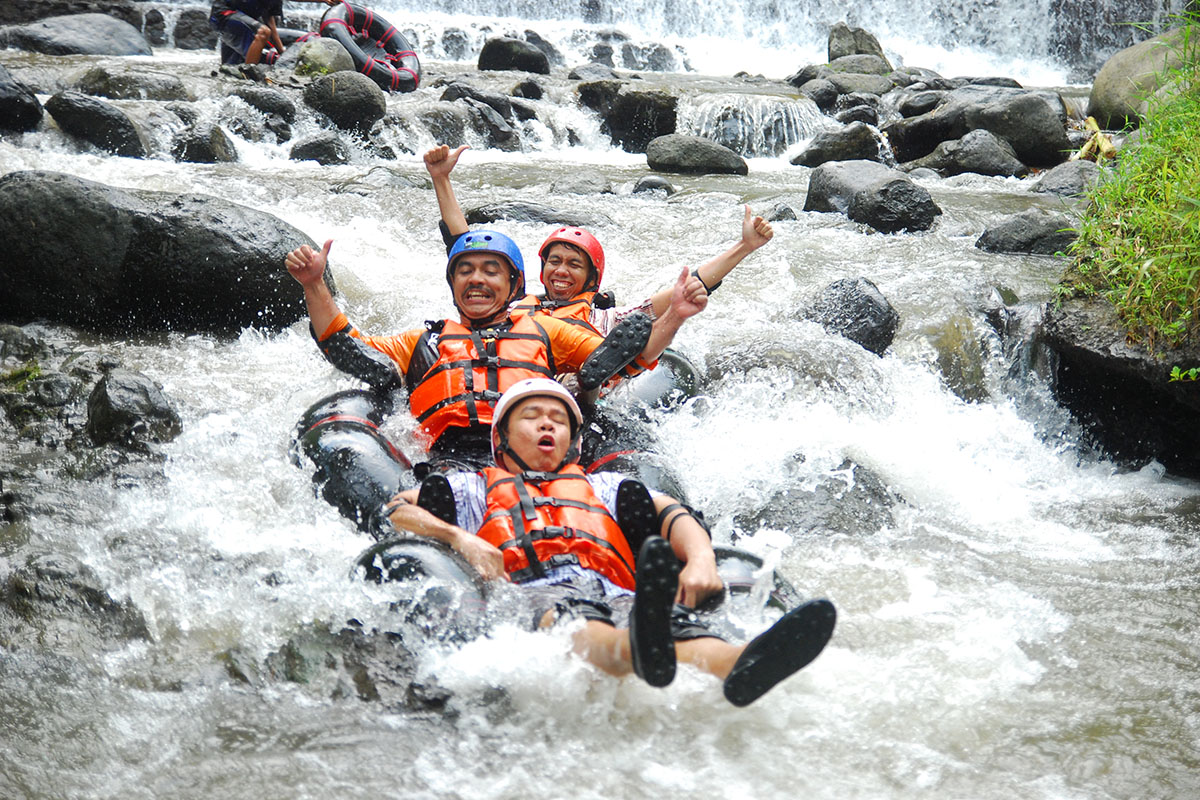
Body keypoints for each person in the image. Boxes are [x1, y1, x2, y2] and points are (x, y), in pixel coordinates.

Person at [379, 378, 837, 706]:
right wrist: (461, 539)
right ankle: (631, 650)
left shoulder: (605, 486)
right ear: (501, 440)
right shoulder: (473, 486)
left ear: (573, 443)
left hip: (618, 590)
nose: (548, 426)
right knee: (580, 622)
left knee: (674, 622)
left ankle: (738, 664)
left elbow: (675, 515)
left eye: (558, 420)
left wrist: (701, 561)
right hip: (533, 592)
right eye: (533, 417)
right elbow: (400, 508)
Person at [285, 230, 709, 470]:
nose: (477, 280)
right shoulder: (422, 341)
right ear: (452, 285)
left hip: (534, 457)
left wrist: (675, 316)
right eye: (465, 271)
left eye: (491, 271)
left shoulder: (547, 331)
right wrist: (314, 284)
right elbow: (346, 347)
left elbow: (623, 358)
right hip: (450, 460)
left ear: (513, 286)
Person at [423, 143, 776, 336]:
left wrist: (744, 247)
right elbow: (465, 247)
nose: (561, 270)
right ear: (541, 270)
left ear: (592, 279)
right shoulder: (511, 305)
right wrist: (441, 179)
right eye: (555, 261)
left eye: (574, 264)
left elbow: (689, 286)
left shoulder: (611, 320)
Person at [209, 0, 334, 66]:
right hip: (224, 15)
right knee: (262, 32)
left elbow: (271, 25)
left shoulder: (274, 2)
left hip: (240, 25)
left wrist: (282, 55)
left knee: (230, 67)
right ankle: (250, 73)